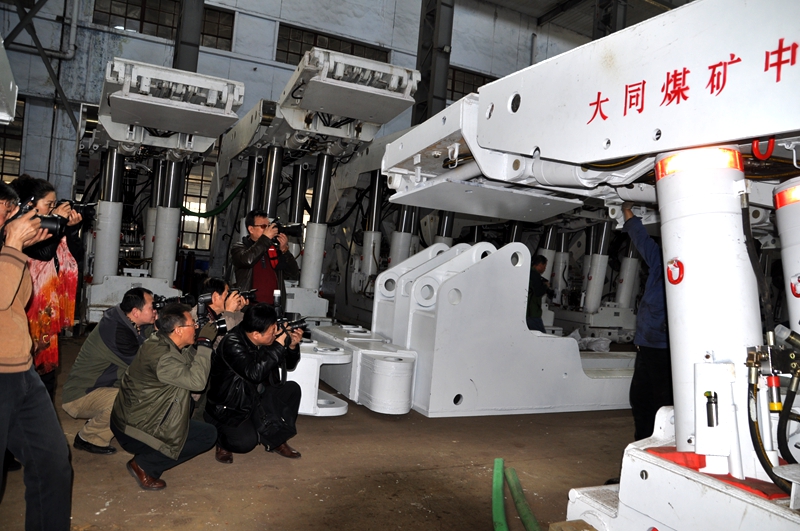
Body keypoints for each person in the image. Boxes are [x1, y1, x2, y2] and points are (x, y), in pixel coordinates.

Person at [0, 181, 72, 530]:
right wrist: (13, 246)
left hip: (22, 373)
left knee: (52, 464)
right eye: (4, 210)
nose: (10, 218)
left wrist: (18, 248)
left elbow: (19, 298)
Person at [110, 303, 218, 490]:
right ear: (178, 330)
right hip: (136, 431)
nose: (196, 327)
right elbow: (197, 382)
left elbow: (184, 363)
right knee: (207, 436)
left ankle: (151, 454)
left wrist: (195, 346)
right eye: (192, 324)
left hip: (131, 419)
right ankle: (144, 465)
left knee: (188, 406)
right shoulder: (164, 358)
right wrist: (205, 344)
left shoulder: (159, 341)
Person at [10, 175, 83, 401]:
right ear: (29, 204)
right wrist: (58, 222)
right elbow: (44, 253)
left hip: (46, 313)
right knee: (22, 372)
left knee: (46, 375)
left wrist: (71, 230)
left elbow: (75, 257)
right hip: (24, 311)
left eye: (54, 205)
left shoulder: (52, 226)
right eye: (49, 205)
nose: (52, 209)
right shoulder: (17, 230)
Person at [61, 287, 157, 455]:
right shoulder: (117, 332)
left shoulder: (126, 320)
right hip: (80, 395)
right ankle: (89, 437)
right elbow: (144, 366)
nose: (156, 310)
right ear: (136, 312)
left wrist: (158, 326)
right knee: (135, 398)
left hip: (103, 386)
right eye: (152, 307)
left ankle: (99, 420)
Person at [205, 303, 303, 464]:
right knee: (245, 443)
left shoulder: (263, 337)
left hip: (256, 397)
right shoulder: (232, 343)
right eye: (272, 331)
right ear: (256, 334)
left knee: (292, 390)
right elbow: (254, 373)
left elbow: (289, 365)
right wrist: (279, 344)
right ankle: (222, 441)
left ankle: (277, 440)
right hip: (231, 406)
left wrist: (292, 346)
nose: (275, 333)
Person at [621, 202, 673, 441]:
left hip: (666, 350)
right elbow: (641, 239)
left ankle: (663, 444)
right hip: (646, 346)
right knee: (640, 399)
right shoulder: (661, 261)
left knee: (662, 402)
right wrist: (627, 211)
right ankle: (643, 443)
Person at [230, 209, 299, 305]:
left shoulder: (274, 249)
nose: (268, 230)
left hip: (273, 307)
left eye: (269, 226)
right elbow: (248, 260)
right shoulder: (239, 248)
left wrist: (285, 251)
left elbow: (293, 274)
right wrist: (265, 238)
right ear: (251, 229)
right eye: (263, 226)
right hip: (249, 307)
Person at [526, 254, 553, 333]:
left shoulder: (528, 273)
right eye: (544, 266)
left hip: (526, 311)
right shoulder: (535, 275)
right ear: (540, 265)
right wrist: (545, 286)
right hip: (533, 312)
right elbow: (538, 292)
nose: (544, 269)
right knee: (541, 335)